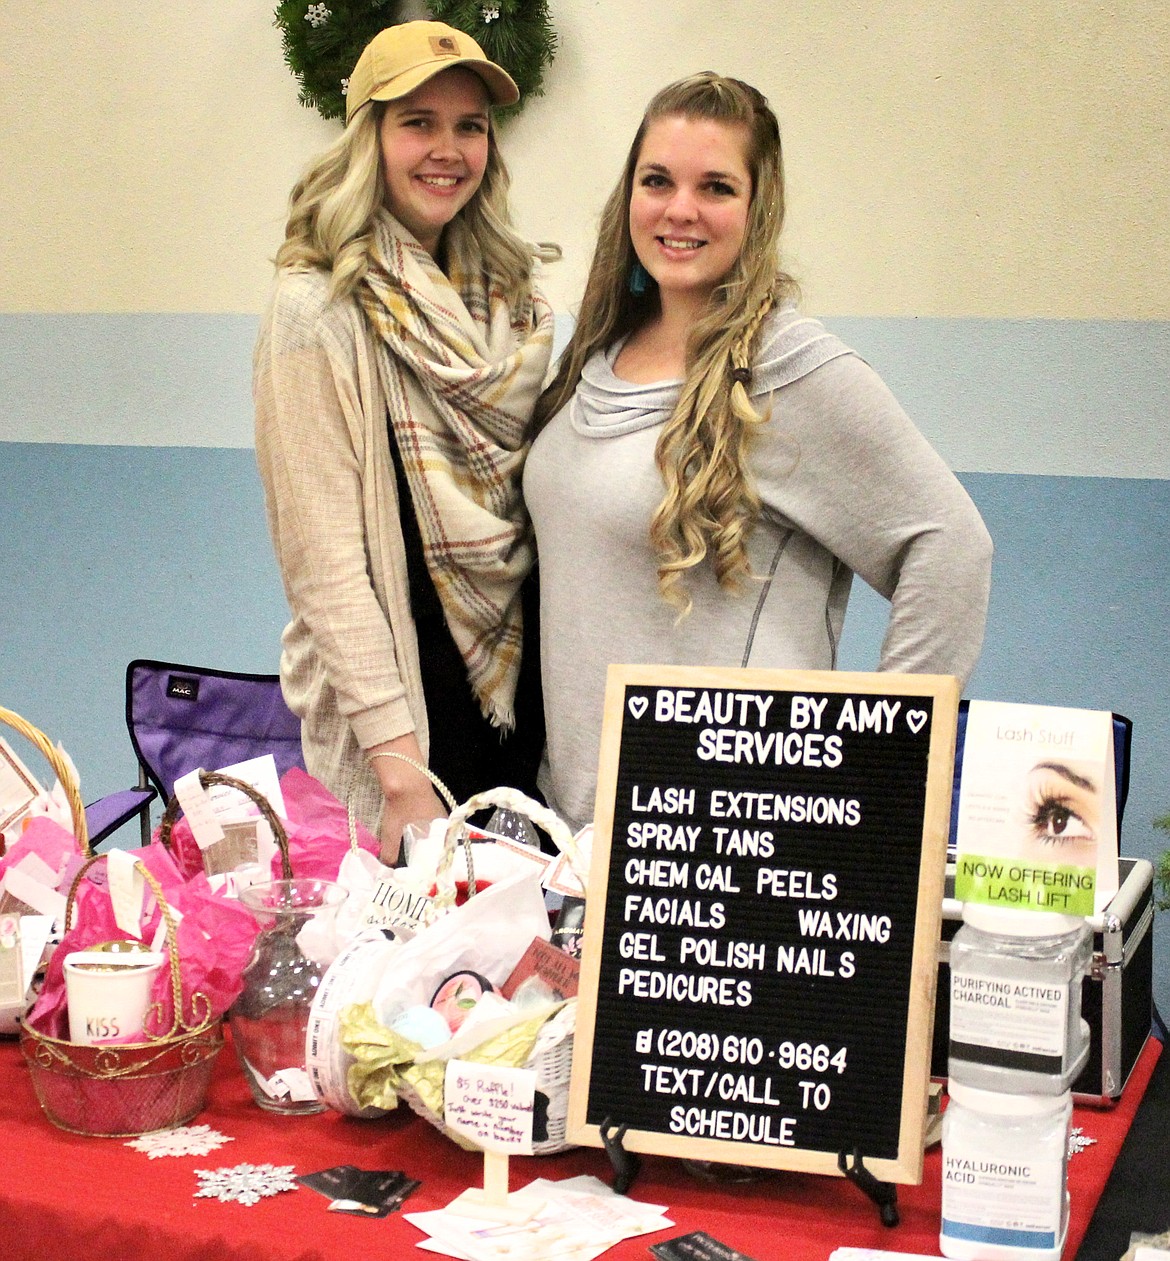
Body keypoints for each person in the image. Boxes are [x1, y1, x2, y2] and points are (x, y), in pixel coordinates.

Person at [524, 72, 994, 833]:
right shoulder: (599, 350)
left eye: (715, 186)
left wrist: (879, 769)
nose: (681, 209)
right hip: (580, 831)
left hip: (727, 845)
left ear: (756, 205)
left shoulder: (791, 368)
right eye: (658, 181)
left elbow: (952, 548)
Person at [254, 21, 554, 861]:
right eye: (417, 121)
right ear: (369, 138)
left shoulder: (509, 305)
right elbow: (324, 565)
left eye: (470, 125)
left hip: (509, 697)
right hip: (404, 726)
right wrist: (398, 770)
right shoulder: (317, 310)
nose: (447, 149)